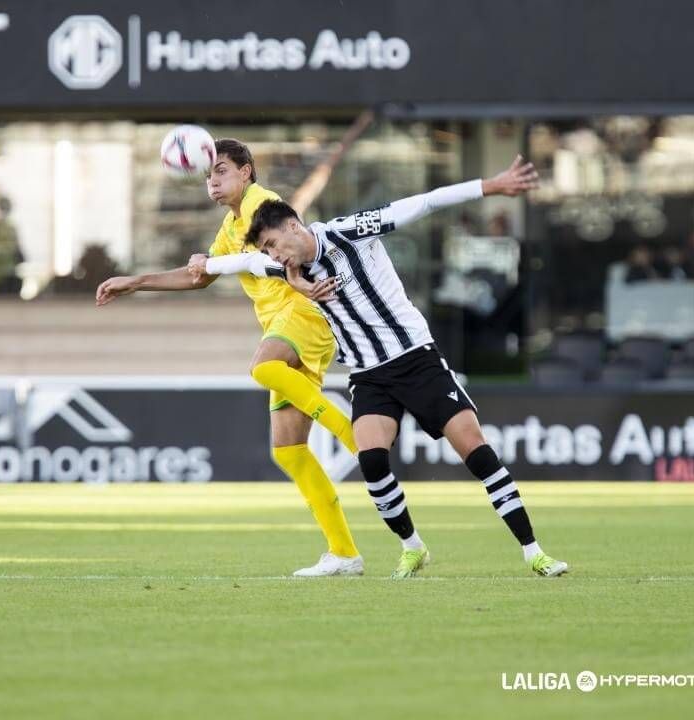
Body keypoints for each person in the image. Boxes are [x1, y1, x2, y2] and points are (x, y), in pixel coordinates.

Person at [188, 156, 569, 579]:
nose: (275, 257)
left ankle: (534, 551)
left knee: (477, 454)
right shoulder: (283, 266)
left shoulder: (351, 231)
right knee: (371, 461)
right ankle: (413, 548)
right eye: (268, 252)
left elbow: (424, 202)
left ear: (294, 225)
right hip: (369, 376)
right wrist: (204, 263)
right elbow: (238, 263)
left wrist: (489, 186)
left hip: (417, 360)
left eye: (275, 245)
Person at [95, 139, 363, 577]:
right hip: (281, 323)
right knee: (290, 451)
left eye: (220, 171)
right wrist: (138, 281)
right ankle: (344, 553)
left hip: (303, 312)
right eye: (207, 175)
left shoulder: (264, 205)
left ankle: (353, 438)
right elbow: (199, 276)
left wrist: (215, 262)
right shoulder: (230, 225)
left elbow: (269, 257)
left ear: (246, 172)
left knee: (263, 366)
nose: (212, 181)